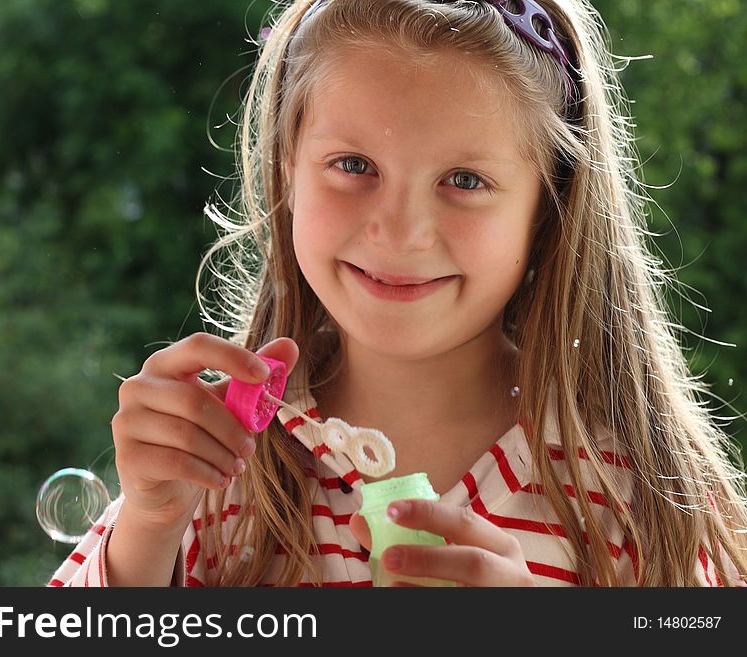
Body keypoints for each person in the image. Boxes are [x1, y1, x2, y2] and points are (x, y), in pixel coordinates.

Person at [48, 0, 747, 587]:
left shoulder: (636, 496)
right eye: (353, 165)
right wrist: (147, 524)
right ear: (287, 165)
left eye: (465, 180)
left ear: (548, 204)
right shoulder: (218, 467)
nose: (401, 233)